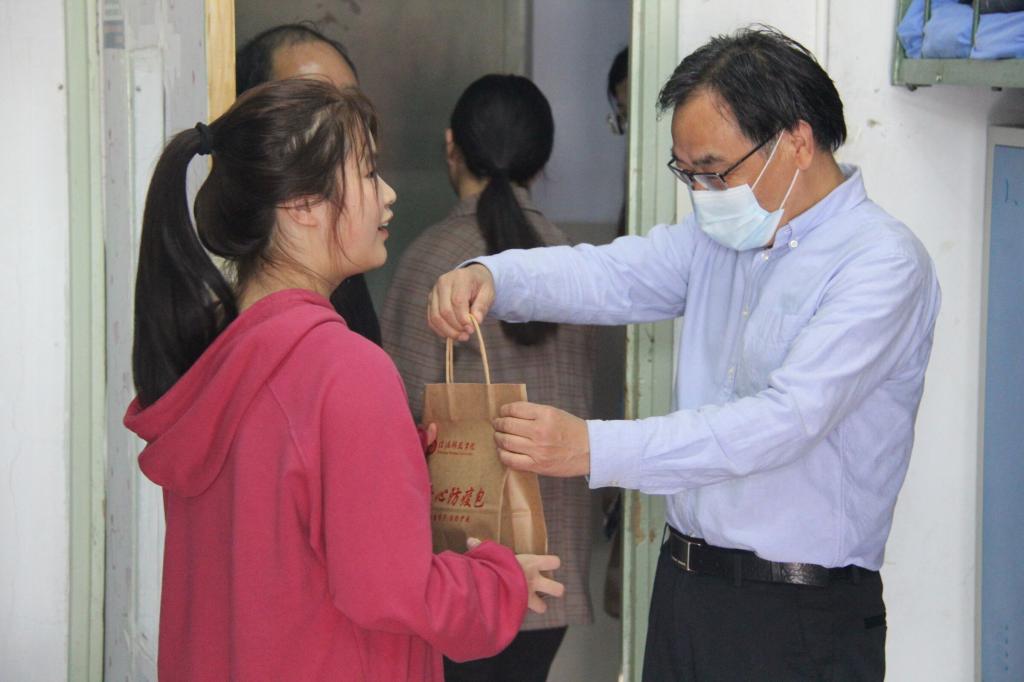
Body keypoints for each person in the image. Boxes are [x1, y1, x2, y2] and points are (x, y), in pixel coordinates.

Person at [427, 27, 942, 681]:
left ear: (797, 141)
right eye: (686, 171)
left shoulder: (880, 264)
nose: (701, 191)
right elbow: (612, 274)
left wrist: (592, 448)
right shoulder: (719, 239)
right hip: (686, 590)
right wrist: (495, 278)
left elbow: (782, 422)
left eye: (714, 170)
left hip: (798, 615)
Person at [123, 78, 563, 681]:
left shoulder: (216, 355)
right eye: (368, 173)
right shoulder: (344, 370)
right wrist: (501, 581)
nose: (388, 194)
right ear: (302, 205)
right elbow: (392, 590)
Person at [380, 74, 596, 682]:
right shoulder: (571, 263)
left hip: (460, 569)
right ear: (542, 161)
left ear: (452, 146)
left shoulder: (430, 259)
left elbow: (395, 421)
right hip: (553, 566)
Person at [236, 23, 381, 345]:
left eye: (350, 101)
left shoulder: (344, 262)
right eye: (315, 102)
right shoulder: (235, 296)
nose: (342, 117)